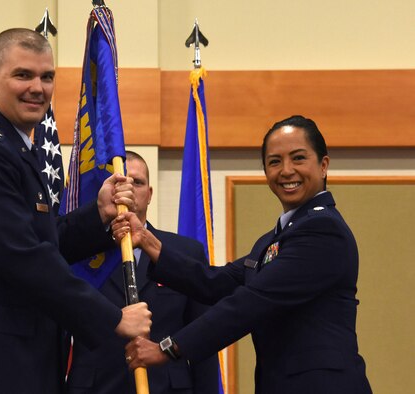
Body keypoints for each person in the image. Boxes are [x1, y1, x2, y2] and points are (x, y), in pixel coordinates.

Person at [0, 28, 151, 394]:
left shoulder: (16, 149)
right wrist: (112, 318)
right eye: (23, 75)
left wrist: (99, 213)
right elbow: (24, 259)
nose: (37, 87)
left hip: (20, 363)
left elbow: (45, 241)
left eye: (47, 77)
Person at [114, 116, 373, 394]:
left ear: (323, 166)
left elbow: (249, 303)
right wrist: (149, 242)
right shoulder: (274, 239)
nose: (286, 171)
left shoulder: (323, 230)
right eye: (274, 162)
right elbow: (215, 282)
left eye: (298, 158)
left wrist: (168, 348)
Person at [66, 151, 219, 393]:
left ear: (149, 195)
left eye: (137, 182)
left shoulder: (185, 253)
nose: (128, 190)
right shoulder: (78, 252)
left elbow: (204, 338)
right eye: (120, 182)